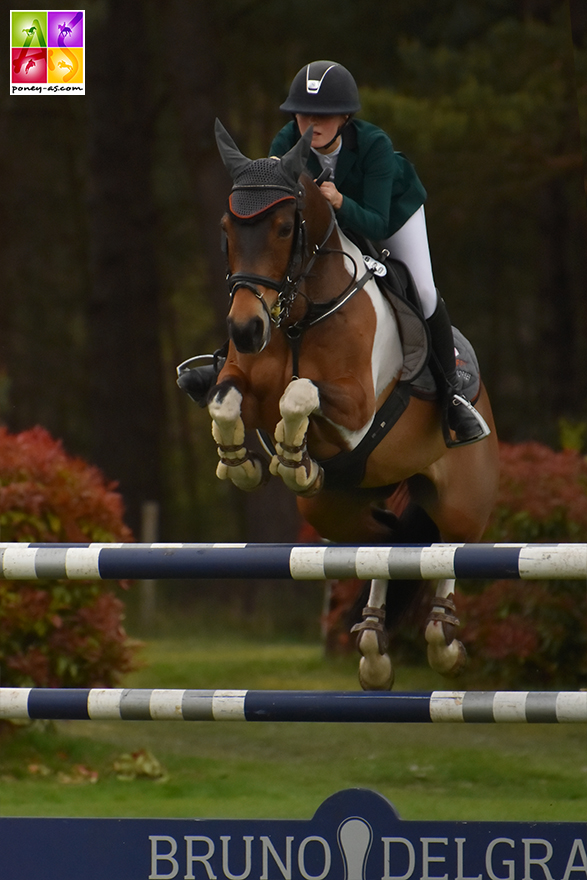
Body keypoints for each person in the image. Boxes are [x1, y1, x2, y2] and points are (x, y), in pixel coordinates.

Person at [180, 60, 488, 446]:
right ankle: (225, 362)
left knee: (423, 292)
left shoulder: (375, 146)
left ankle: (452, 393)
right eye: (304, 113)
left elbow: (375, 223)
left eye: (323, 115)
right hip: (324, 226)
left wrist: (341, 202)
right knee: (276, 283)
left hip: (391, 215)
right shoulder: (284, 145)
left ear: (345, 116)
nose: (312, 122)